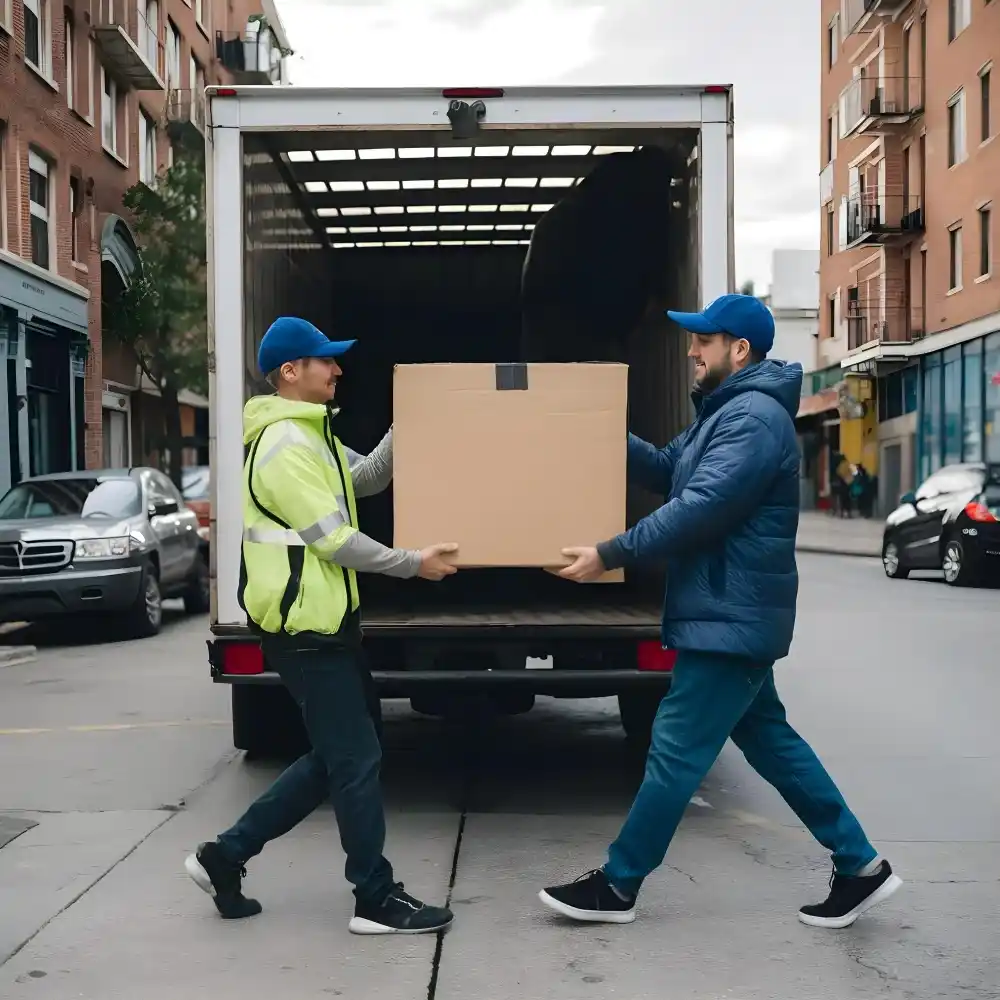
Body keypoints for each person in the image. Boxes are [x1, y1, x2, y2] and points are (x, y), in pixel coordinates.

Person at [538, 294, 902, 930]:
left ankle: (619, 885)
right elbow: (667, 468)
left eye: (703, 341)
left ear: (739, 350)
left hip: (729, 614)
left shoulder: (752, 419)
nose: (691, 350)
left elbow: (701, 506)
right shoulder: (725, 414)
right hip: (731, 611)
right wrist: (602, 428)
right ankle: (860, 865)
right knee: (769, 738)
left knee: (675, 751)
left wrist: (610, 552)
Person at [185, 316, 459, 935]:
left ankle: (225, 855)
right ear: (290, 371)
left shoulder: (315, 438)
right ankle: (374, 897)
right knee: (356, 757)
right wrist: (414, 564)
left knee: (342, 754)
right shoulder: (285, 446)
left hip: (328, 622)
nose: (337, 370)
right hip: (304, 628)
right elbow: (334, 540)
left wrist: (408, 421)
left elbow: (368, 480)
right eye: (325, 361)